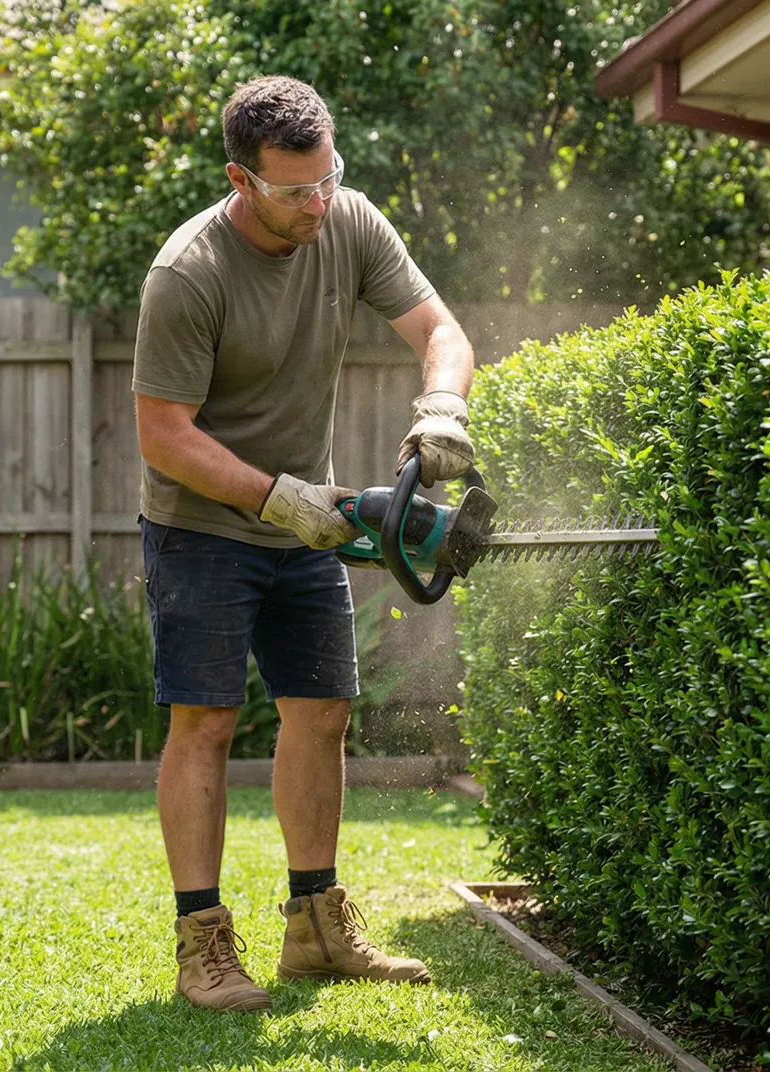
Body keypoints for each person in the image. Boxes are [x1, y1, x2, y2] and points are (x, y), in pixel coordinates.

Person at [132, 74, 475, 1013]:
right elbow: (164, 433)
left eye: (326, 179)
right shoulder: (188, 272)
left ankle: (315, 928)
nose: (315, 203)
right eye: (293, 190)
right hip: (200, 525)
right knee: (203, 723)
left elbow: (439, 328)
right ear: (240, 179)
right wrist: (273, 499)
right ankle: (203, 943)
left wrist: (443, 404)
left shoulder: (348, 221)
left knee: (320, 711)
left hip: (309, 521)